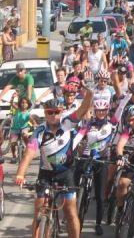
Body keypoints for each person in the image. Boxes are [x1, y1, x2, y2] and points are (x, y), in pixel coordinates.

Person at [15, 78, 94, 238]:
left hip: (66, 173)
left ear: (62, 111)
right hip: (46, 173)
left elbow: (85, 107)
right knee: (39, 210)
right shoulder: (40, 131)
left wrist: (89, 92)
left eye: (56, 112)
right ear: (45, 113)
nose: (53, 115)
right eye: (49, 112)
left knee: (70, 211)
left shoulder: (68, 122)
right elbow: (29, 153)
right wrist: (20, 174)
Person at [81, 98, 117, 235]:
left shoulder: (111, 125)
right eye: (98, 110)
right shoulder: (89, 124)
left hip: (101, 159)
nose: (101, 113)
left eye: (103, 110)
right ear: (95, 111)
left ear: (107, 111)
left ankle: (98, 223)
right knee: (75, 178)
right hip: (86, 156)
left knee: (100, 196)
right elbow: (80, 136)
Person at [8, 97, 34, 162]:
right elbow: (11, 103)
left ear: (28, 105)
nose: (24, 104)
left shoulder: (28, 113)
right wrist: (12, 97)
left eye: (26, 103)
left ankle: (28, 149)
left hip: (24, 128)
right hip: (15, 129)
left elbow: (32, 119)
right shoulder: (17, 109)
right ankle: (14, 156)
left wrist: (35, 124)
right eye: (22, 103)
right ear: (20, 104)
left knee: (25, 135)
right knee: (13, 143)